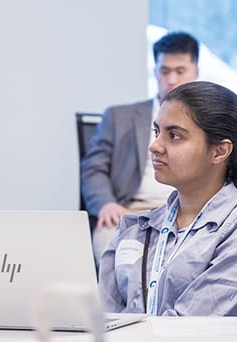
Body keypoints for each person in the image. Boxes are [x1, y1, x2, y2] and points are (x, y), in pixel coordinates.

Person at [97, 81, 237, 316]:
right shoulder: (136, 228)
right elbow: (104, 320)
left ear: (220, 151)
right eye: (157, 132)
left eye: (174, 135)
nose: (155, 146)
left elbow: (188, 326)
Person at [81, 32, 199, 259]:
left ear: (196, 72)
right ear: (155, 72)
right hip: (129, 210)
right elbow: (93, 168)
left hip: (192, 211)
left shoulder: (211, 121)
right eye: (164, 71)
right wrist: (106, 203)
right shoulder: (118, 116)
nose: (172, 79)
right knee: (113, 255)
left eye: (180, 71)